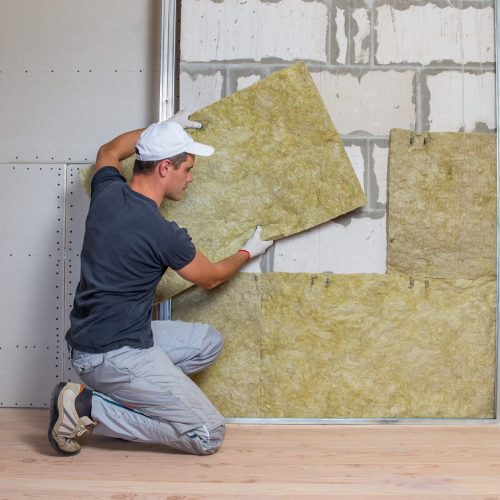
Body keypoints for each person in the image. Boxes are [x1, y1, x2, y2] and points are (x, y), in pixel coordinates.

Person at [48, 111, 274, 456]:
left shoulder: (107, 191)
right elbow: (211, 277)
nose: (191, 178)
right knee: (207, 434)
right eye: (188, 169)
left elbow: (108, 150)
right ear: (165, 168)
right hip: (112, 356)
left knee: (207, 342)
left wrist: (162, 129)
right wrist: (248, 252)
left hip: (97, 341)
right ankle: (87, 407)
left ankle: (134, 398)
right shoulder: (162, 233)